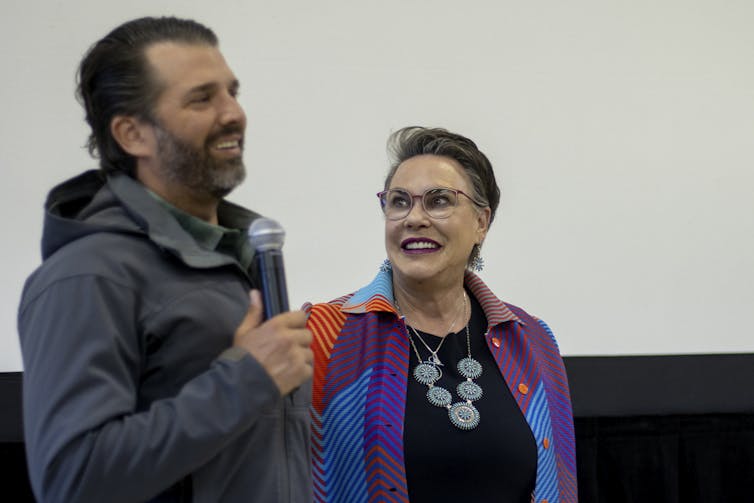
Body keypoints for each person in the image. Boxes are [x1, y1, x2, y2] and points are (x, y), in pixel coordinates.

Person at [17, 17, 313, 502]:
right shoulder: (86, 275)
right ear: (132, 134)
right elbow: (72, 480)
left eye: (232, 92)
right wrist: (244, 381)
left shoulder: (236, 259)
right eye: (202, 98)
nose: (233, 113)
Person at [306, 126, 577, 503]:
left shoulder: (531, 338)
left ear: (481, 223)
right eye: (399, 201)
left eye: (438, 201)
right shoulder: (325, 333)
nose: (413, 218)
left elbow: (559, 484)